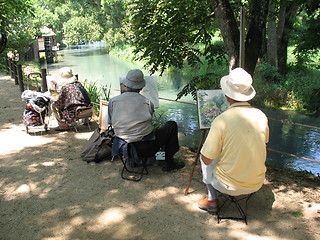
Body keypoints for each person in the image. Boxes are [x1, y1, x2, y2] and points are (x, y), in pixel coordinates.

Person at [197, 67, 269, 212]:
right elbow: (263, 142)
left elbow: (206, 159)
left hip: (228, 185)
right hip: (256, 182)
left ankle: (211, 200)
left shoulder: (221, 120)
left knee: (205, 156)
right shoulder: (261, 115)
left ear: (227, 95)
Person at [108, 69, 185, 172]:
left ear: (126, 85)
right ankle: (169, 163)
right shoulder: (147, 102)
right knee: (171, 125)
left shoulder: (113, 101)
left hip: (121, 148)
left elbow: (111, 123)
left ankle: (132, 160)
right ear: (141, 87)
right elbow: (149, 122)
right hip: (146, 148)